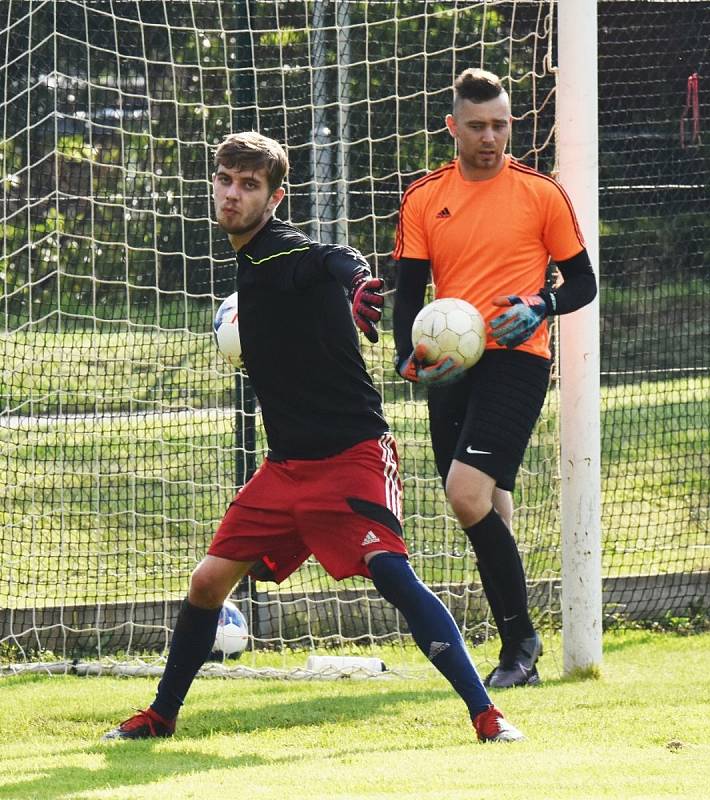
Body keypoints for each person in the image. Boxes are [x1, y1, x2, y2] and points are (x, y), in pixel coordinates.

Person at [103, 131, 523, 743]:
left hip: (353, 455)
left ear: (276, 197)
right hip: (286, 468)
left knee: (392, 575)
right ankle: (161, 716)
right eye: (226, 180)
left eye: (250, 186)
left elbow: (330, 255)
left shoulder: (280, 250)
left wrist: (356, 283)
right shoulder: (249, 258)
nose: (232, 194)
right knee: (206, 582)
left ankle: (488, 715)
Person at [392, 69, 597, 688]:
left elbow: (582, 283)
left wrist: (541, 306)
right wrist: (408, 354)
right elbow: (407, 293)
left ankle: (520, 647)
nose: (491, 136)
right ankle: (519, 651)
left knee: (465, 492)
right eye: (477, 125)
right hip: (452, 364)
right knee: (488, 504)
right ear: (453, 127)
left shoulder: (542, 194)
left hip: (519, 358)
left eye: (501, 124)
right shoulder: (425, 196)